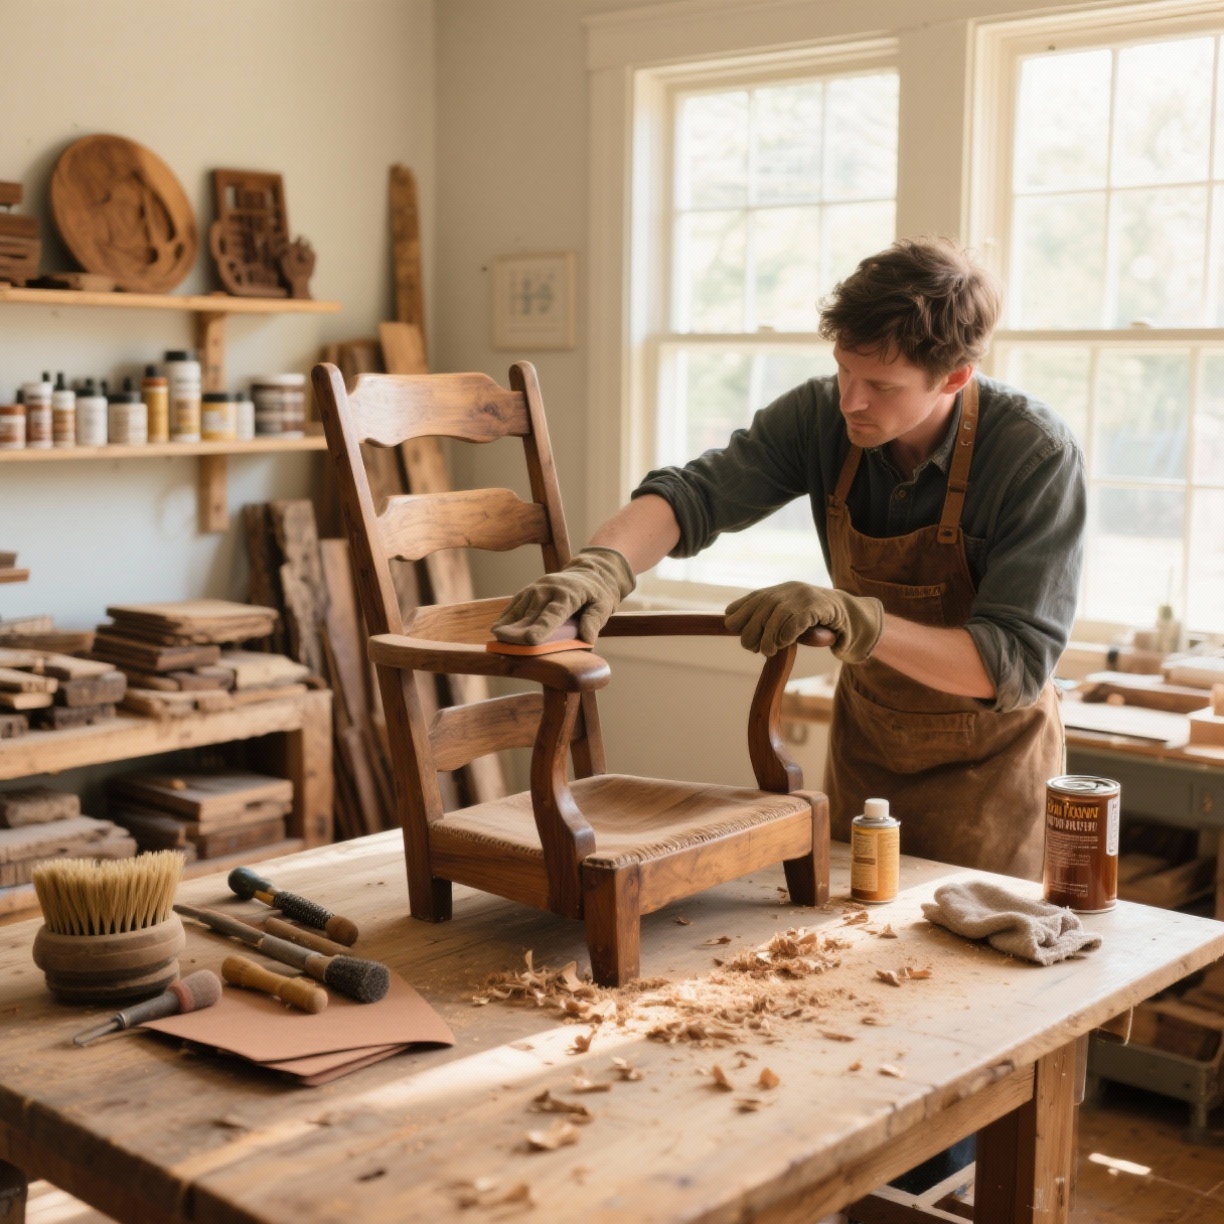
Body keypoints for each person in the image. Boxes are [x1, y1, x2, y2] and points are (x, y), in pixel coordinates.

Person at [493, 237, 1085, 881]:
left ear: (954, 377)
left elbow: (1013, 665)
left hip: (991, 783)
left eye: (881, 385)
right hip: (870, 754)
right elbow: (697, 495)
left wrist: (860, 620)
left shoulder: (1035, 457)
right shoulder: (822, 418)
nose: (850, 400)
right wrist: (602, 565)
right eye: (843, 370)